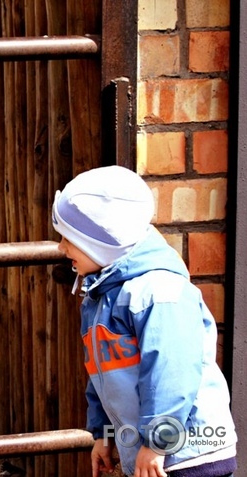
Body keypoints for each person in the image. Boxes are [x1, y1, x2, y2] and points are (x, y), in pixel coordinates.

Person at [51, 165, 237, 477]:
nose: (61, 247)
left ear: (102, 240)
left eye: (69, 238)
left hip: (188, 455)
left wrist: (157, 442)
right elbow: (105, 376)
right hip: (155, 453)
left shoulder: (159, 292)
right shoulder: (101, 295)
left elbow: (171, 372)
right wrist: (103, 434)